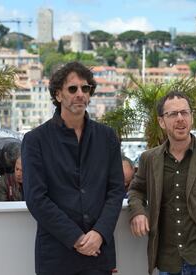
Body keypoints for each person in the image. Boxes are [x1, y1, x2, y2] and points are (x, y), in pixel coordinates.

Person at [22, 61, 125, 275]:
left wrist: (99, 234)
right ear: (58, 95)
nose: (80, 94)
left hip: (99, 254)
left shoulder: (107, 137)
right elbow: (36, 198)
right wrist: (77, 239)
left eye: (85, 88)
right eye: (72, 88)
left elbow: (116, 191)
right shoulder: (35, 140)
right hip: (56, 256)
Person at [128, 91, 196, 275]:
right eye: (173, 114)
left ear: (191, 117)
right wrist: (138, 212)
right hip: (167, 261)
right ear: (161, 122)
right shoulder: (149, 159)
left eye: (184, 112)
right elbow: (136, 190)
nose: (180, 119)